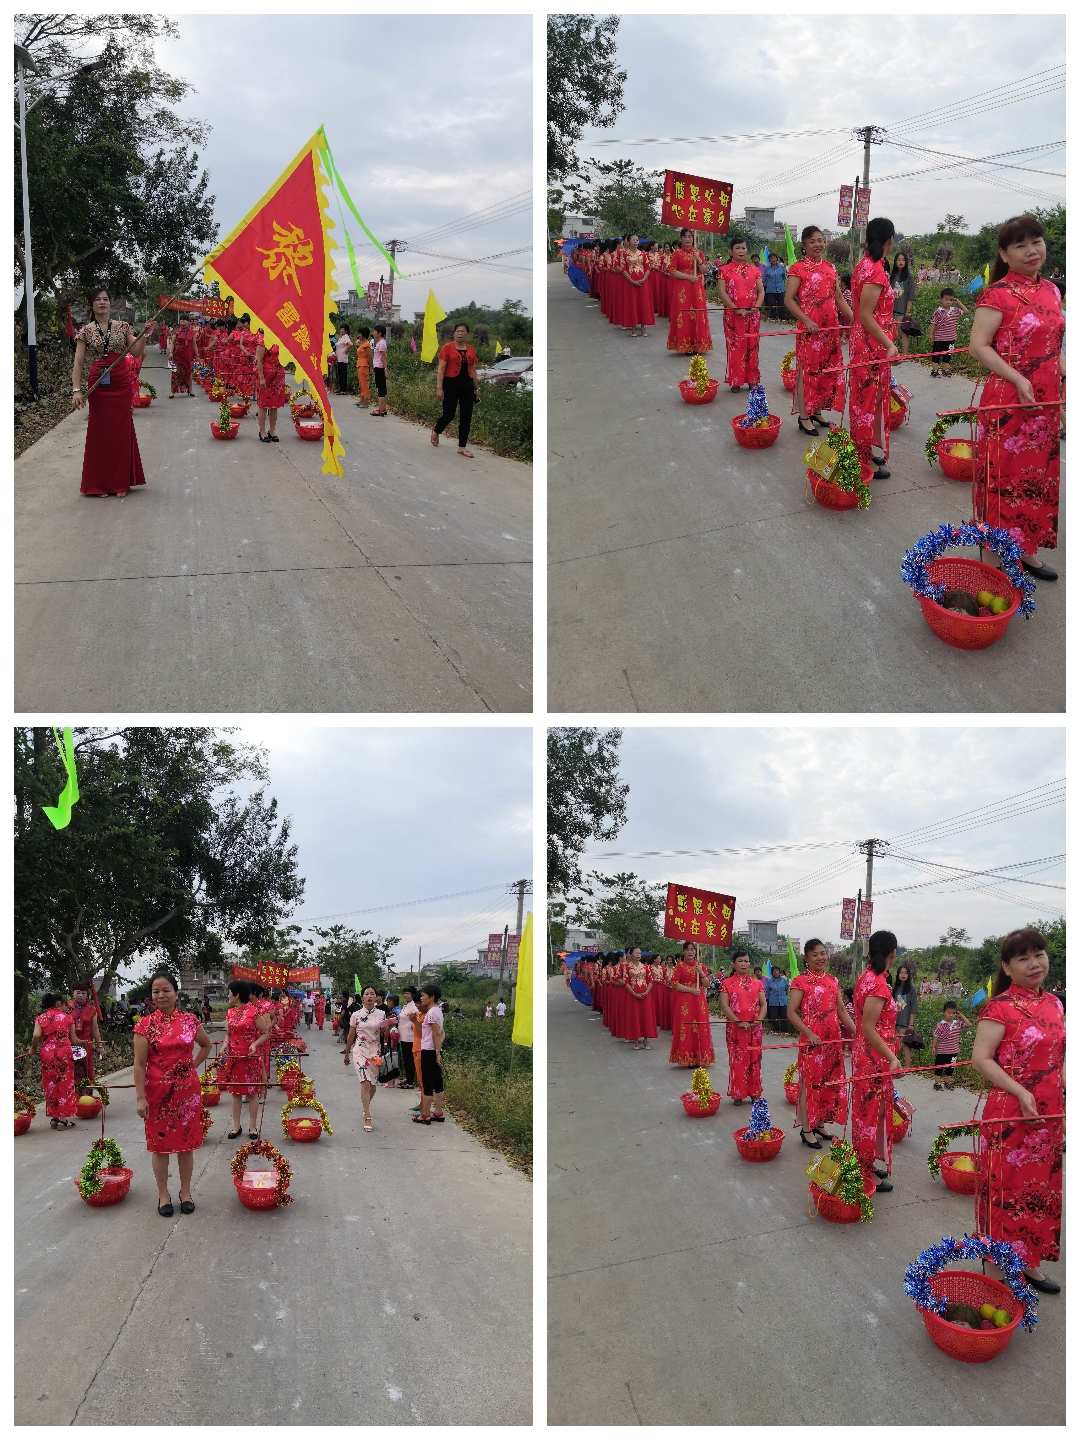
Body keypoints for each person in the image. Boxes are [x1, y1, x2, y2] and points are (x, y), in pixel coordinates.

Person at [968, 214, 1065, 582]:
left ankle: (1026, 550)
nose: (1031, 250)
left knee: (1036, 478)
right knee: (1003, 479)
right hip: (1008, 403)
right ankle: (995, 559)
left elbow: (1054, 347)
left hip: (1045, 406)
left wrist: (1065, 372)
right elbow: (978, 345)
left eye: (1036, 241)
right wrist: (1017, 378)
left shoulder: (1053, 291)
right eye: (1020, 245)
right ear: (1004, 254)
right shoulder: (998, 294)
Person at [971, 928, 1064, 1294]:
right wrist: (1019, 1090)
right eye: (1023, 958)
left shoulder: (1056, 1004)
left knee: (1040, 1192)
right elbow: (981, 1059)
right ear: (1007, 968)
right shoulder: (1000, 1008)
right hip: (1011, 1116)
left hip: (1048, 1118)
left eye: (1038, 954)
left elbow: (1060, 1057)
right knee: (1005, 1193)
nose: (1034, 963)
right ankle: (995, 1272)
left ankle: (1029, 1264)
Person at [133, 970, 211, 1216]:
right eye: (156, 991)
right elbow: (139, 1064)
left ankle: (185, 1192)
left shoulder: (189, 1021)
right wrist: (140, 1097)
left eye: (166, 990)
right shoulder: (145, 1025)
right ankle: (163, 1194)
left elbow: (206, 1045)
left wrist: (193, 1066)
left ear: (176, 993)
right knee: (160, 1147)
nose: (161, 995)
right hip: (157, 1094)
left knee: (185, 1146)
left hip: (187, 1093)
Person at [71, 286, 148, 497]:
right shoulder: (85, 330)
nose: (102, 302)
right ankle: (99, 484)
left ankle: (120, 482)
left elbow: (137, 351)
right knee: (100, 432)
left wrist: (144, 334)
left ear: (110, 303)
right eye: (98, 300)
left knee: (121, 431)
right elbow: (78, 363)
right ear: (92, 304)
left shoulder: (123, 327)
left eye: (105, 299)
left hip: (120, 382)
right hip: (98, 384)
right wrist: (77, 390)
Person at [785, 225, 854, 436]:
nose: (818, 244)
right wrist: (806, 321)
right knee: (808, 372)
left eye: (821, 240)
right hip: (810, 331)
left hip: (829, 330)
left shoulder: (831, 268)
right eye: (813, 241)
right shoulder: (797, 268)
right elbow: (788, 300)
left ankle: (816, 411)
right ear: (804, 245)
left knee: (826, 373)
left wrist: (855, 320)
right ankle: (804, 416)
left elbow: (839, 299)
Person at [788, 939, 855, 1148]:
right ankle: (806, 1129)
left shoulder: (832, 981)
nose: (820, 958)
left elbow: (842, 1011)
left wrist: (858, 1032)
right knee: (809, 1085)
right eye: (815, 954)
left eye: (823, 953)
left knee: (827, 1084)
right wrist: (809, 1034)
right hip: (812, 1043)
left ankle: (819, 1123)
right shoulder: (800, 981)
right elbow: (791, 1012)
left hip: (832, 1041)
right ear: (807, 958)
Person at [848, 217, 899, 480]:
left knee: (865, 400)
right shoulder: (875, 270)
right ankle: (860, 458)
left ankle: (864, 451)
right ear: (889, 240)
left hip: (867, 342)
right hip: (872, 345)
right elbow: (866, 315)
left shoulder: (865, 264)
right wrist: (889, 343)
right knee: (866, 401)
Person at [851, 930, 901, 1194]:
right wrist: (892, 1056)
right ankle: (865, 1169)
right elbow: (869, 1028)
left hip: (868, 1055)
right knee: (869, 1115)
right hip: (874, 1059)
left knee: (869, 1113)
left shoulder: (867, 977)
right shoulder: (878, 984)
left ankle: (866, 1163)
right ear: (892, 953)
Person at [217, 979, 272, 1140]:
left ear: (237, 994)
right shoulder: (230, 1012)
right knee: (235, 1093)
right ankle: (236, 1126)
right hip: (234, 1059)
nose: (227, 996)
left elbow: (266, 1032)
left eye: (229, 993)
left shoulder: (253, 1012)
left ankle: (253, 1127)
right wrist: (223, 1047)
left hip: (250, 1058)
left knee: (252, 1093)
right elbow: (228, 1034)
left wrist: (255, 1044)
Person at [718, 951, 766, 1103]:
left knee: (755, 1060)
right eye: (740, 961)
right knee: (738, 1060)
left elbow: (764, 1004)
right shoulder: (727, 983)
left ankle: (754, 1092)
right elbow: (724, 1006)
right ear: (733, 963)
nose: (744, 964)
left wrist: (759, 1020)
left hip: (755, 1028)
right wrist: (738, 1022)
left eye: (746, 961)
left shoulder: (757, 983)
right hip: (736, 1028)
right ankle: (738, 1093)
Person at [717, 240, 764, 391]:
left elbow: (761, 291)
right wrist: (735, 308)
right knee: (735, 347)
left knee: (752, 347)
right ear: (731, 251)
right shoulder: (724, 270)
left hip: (752, 315)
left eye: (743, 247)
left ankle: (752, 379)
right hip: (733, 315)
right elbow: (722, 292)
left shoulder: (754, 269)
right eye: (737, 248)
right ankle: (736, 380)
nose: (741, 250)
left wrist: (756, 307)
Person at [432, 322, 479, 458]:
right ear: (454, 333)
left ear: (467, 334)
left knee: (466, 416)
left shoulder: (471, 349)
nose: (460, 333)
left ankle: (462, 447)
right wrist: (439, 388)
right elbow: (441, 370)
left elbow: (473, 369)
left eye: (463, 331)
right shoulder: (447, 348)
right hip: (451, 384)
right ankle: (436, 430)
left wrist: (477, 387)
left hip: (467, 385)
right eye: (458, 331)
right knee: (449, 414)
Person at [31, 993, 78, 1128]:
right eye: (64, 1004)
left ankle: (54, 1118)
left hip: (47, 1053)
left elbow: (36, 1035)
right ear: (58, 1004)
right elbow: (74, 1040)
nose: (65, 1007)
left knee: (51, 1083)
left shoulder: (41, 1018)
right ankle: (63, 1119)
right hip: (63, 1053)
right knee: (65, 1083)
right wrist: (84, 1042)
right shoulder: (68, 1018)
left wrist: (33, 1049)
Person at [668, 940, 715, 1066]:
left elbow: (707, 984)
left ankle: (700, 1057)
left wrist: (701, 972)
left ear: (696, 951)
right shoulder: (679, 966)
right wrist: (691, 990)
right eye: (688, 949)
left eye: (693, 949)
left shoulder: (701, 966)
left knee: (701, 1027)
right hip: (684, 1002)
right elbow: (674, 984)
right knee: (686, 1028)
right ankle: (687, 1058)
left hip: (699, 1002)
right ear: (683, 951)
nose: (690, 952)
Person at [666, 228, 713, 355]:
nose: (688, 239)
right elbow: (672, 270)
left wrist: (698, 259)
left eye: (690, 236)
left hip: (696, 289)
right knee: (685, 314)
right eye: (685, 236)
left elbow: (704, 271)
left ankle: (698, 344)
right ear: (681, 239)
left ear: (693, 238)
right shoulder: (677, 253)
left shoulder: (698, 253)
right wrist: (688, 277)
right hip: (682, 289)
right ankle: (686, 345)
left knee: (698, 314)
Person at [347, 986, 386, 1132]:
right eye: (366, 994)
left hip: (375, 1052)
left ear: (376, 997)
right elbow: (351, 1034)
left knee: (373, 1086)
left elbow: (384, 1035)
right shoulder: (356, 1014)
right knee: (364, 1082)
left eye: (372, 994)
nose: (369, 996)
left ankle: (365, 1106)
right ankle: (367, 1115)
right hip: (360, 1050)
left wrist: (388, 1028)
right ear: (362, 998)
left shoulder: (382, 1014)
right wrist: (347, 1052)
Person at [414, 983, 446, 1125]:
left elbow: (435, 1033)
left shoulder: (432, 1012)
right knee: (438, 1082)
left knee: (428, 1083)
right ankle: (438, 1112)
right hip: (433, 1050)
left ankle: (425, 1114)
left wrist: (437, 1052)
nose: (421, 998)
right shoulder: (438, 1011)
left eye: (423, 995)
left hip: (429, 1051)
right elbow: (441, 1033)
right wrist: (439, 1049)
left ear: (431, 997)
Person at [620, 946, 657, 1051]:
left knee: (646, 1017)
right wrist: (634, 993)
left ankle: (646, 1041)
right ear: (631, 954)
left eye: (640, 953)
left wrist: (646, 992)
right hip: (633, 995)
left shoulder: (646, 967)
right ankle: (636, 1040)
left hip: (645, 995)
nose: (638, 955)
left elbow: (650, 981)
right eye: (636, 953)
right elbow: (625, 982)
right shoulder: (627, 967)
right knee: (634, 1016)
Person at [254, 334, 288, 443]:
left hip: (278, 377)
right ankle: (262, 432)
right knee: (263, 405)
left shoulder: (281, 339)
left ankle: (272, 431)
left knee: (275, 405)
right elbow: (259, 361)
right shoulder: (262, 340)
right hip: (266, 377)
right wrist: (261, 378)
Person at [620, 235, 654, 338]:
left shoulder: (643, 254)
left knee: (643, 303)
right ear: (628, 242)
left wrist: (644, 279)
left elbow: (648, 268)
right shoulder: (624, 254)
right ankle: (633, 329)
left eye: (637, 240)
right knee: (632, 304)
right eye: (633, 240)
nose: (636, 242)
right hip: (630, 283)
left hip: (643, 282)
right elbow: (623, 269)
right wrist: (632, 280)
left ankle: (643, 328)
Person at [932, 1000, 971, 1089]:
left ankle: (947, 1082)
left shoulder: (957, 1023)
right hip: (942, 1052)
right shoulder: (940, 1025)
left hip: (954, 1052)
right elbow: (936, 1036)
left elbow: (969, 1024)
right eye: (948, 1012)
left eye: (953, 1013)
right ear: (944, 1012)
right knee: (939, 1068)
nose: (950, 1015)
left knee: (950, 1068)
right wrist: (934, 1047)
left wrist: (961, 1016)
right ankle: (937, 1083)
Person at [68, 983, 102, 1087]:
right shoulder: (67, 1007)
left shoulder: (92, 1009)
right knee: (70, 1071)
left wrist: (99, 1045)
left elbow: (95, 1029)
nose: (81, 995)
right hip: (69, 1044)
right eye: (78, 993)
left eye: (83, 993)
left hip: (86, 1045)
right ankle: (71, 1098)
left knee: (86, 1070)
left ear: (87, 995)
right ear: (73, 994)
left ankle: (87, 1097)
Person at [929, 288, 966, 376]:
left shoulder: (955, 311)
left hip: (951, 339)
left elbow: (966, 311)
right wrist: (931, 335)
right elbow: (933, 324)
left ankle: (945, 370)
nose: (948, 302)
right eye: (946, 299)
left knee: (948, 355)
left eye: (951, 300)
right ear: (941, 300)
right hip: (939, 339)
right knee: (936, 355)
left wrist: (959, 303)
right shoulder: (938, 312)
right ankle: (935, 370)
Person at [889, 250, 918, 354]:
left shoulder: (909, 276)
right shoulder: (892, 276)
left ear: (906, 262)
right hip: (891, 309)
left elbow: (911, 295)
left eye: (903, 260)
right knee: (893, 332)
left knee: (903, 332)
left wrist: (908, 311)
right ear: (895, 261)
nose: (901, 262)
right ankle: (893, 353)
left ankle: (905, 355)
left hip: (903, 309)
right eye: (898, 260)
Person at [892, 963, 919, 1067]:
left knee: (905, 1045)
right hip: (894, 1021)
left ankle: (907, 1068)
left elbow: (913, 1008)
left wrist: (911, 1024)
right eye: (901, 972)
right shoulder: (895, 988)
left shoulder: (911, 989)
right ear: (898, 974)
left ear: (908, 975)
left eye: (905, 973)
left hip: (905, 1022)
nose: (903, 974)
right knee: (895, 1044)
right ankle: (895, 1066)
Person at [168, 316, 195, 397]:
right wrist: (171, 353)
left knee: (188, 373)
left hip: (188, 356)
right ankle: (172, 392)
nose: (182, 323)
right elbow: (172, 343)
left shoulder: (192, 333)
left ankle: (190, 391)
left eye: (184, 321)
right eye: (181, 321)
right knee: (175, 373)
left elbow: (194, 344)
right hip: (177, 356)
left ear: (188, 322)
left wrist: (197, 355)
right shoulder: (176, 332)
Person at [761, 251, 787, 320]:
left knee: (781, 304)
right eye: (771, 258)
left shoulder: (781, 267)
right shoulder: (767, 268)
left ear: (777, 258)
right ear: (769, 260)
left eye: (774, 258)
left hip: (780, 288)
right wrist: (763, 287)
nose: (773, 259)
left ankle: (782, 318)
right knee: (771, 304)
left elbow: (785, 277)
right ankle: (773, 317)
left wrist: (785, 285)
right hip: (770, 289)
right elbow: (764, 278)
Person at [370, 325, 389, 416]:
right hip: (379, 367)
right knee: (383, 389)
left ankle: (380, 410)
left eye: (375, 331)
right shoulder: (380, 342)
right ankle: (383, 409)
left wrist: (385, 369)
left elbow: (384, 357)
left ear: (379, 333)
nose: (373, 333)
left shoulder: (381, 343)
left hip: (379, 368)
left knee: (380, 389)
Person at [764, 963, 789, 1031]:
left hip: (783, 1001)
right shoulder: (769, 981)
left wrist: (785, 996)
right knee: (774, 1017)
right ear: (772, 973)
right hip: (773, 1002)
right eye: (774, 971)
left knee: (784, 1017)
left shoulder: (784, 980)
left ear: (779, 971)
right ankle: (776, 1031)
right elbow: (767, 991)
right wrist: (769, 999)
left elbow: (787, 989)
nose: (776, 972)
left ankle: (785, 1031)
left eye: (777, 971)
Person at [354, 326, 373, 407]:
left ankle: (366, 402)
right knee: (361, 384)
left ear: (363, 335)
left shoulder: (367, 345)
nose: (358, 335)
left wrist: (371, 368)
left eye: (360, 334)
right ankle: (362, 400)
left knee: (364, 383)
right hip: (359, 364)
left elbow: (370, 357)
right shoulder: (361, 344)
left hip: (364, 365)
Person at [334, 325, 353, 394]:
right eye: (341, 329)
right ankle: (341, 388)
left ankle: (343, 390)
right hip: (339, 359)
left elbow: (350, 344)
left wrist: (346, 351)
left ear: (346, 331)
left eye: (343, 329)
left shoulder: (346, 336)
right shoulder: (341, 337)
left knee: (343, 374)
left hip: (343, 359)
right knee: (340, 374)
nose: (341, 330)